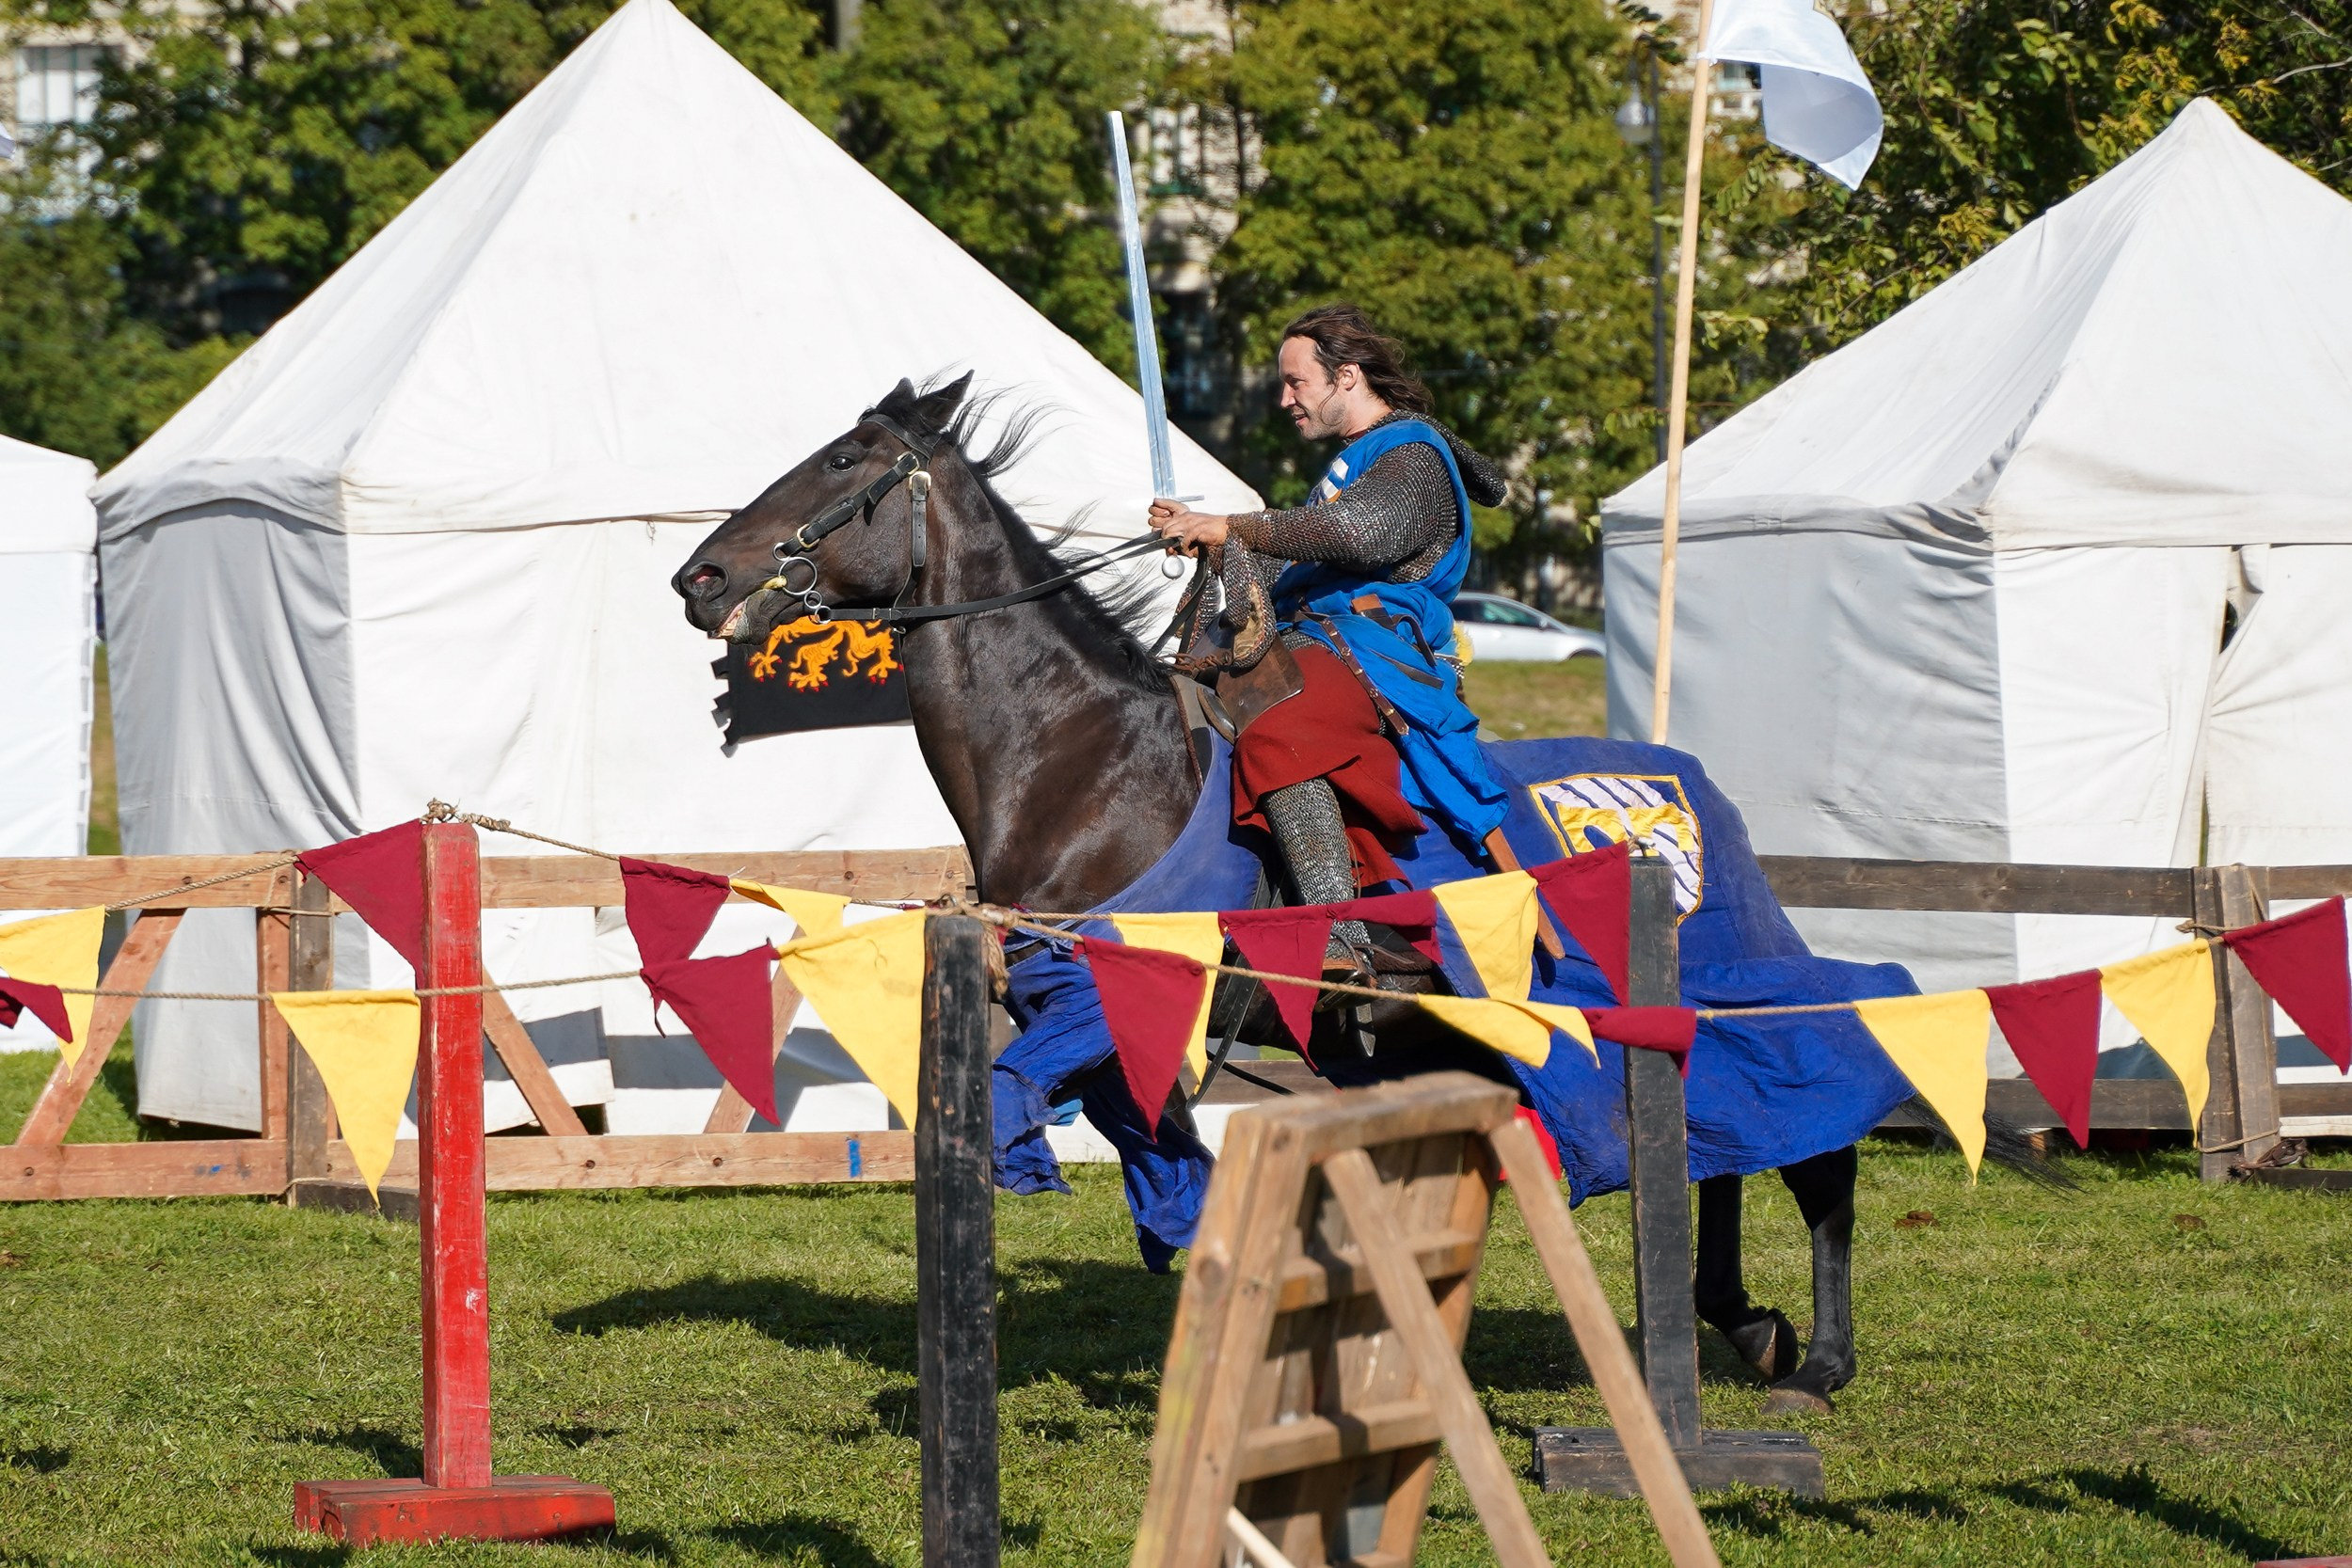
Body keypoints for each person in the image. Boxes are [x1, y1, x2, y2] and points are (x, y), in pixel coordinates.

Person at [1152, 304, 1511, 973]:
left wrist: (1234, 525)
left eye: (1296, 382)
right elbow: (1287, 562)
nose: (1285, 399)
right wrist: (1207, 535)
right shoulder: (1353, 465)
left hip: (1378, 647)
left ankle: (1340, 935)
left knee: (1282, 728)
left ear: (1347, 376)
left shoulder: (1412, 454)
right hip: (1318, 637)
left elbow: (1362, 535)